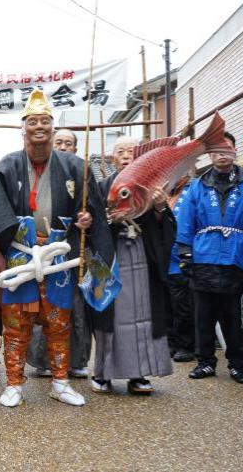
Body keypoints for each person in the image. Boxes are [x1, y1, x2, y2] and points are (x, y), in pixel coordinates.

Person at [0, 89, 114, 407]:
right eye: (33, 121)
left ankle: (60, 382)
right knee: (16, 324)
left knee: (59, 323)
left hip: (58, 255)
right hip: (19, 254)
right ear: (23, 128)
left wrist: (86, 219)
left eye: (45, 121)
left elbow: (90, 210)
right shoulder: (9, 165)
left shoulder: (74, 166)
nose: (39, 127)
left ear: (53, 127)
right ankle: (14, 383)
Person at [177, 135, 243, 384]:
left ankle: (238, 364)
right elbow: (186, 221)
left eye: (227, 149)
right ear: (210, 154)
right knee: (203, 316)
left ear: (234, 153)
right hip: (204, 257)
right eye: (217, 150)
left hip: (237, 258)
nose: (222, 154)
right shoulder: (197, 186)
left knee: (237, 317)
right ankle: (205, 362)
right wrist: (185, 254)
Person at [94, 136, 175, 395]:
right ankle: (103, 373)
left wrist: (161, 206)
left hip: (142, 254)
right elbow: (93, 222)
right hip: (111, 255)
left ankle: (138, 374)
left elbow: (165, 225)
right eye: (121, 151)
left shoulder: (150, 184)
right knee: (110, 318)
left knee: (143, 315)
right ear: (112, 158)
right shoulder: (101, 186)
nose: (126, 155)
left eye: (131, 150)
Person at [28, 128, 91, 378]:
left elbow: (94, 203)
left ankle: (76, 360)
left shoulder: (82, 172)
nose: (64, 147)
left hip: (73, 247)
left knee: (74, 306)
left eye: (69, 143)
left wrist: (89, 218)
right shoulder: (38, 171)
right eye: (59, 142)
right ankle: (42, 361)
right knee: (43, 305)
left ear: (75, 148)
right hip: (42, 248)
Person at [167, 175, 195, 363]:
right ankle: (169, 343)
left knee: (183, 307)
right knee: (166, 306)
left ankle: (185, 345)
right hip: (164, 259)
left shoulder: (192, 191)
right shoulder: (164, 193)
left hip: (182, 259)